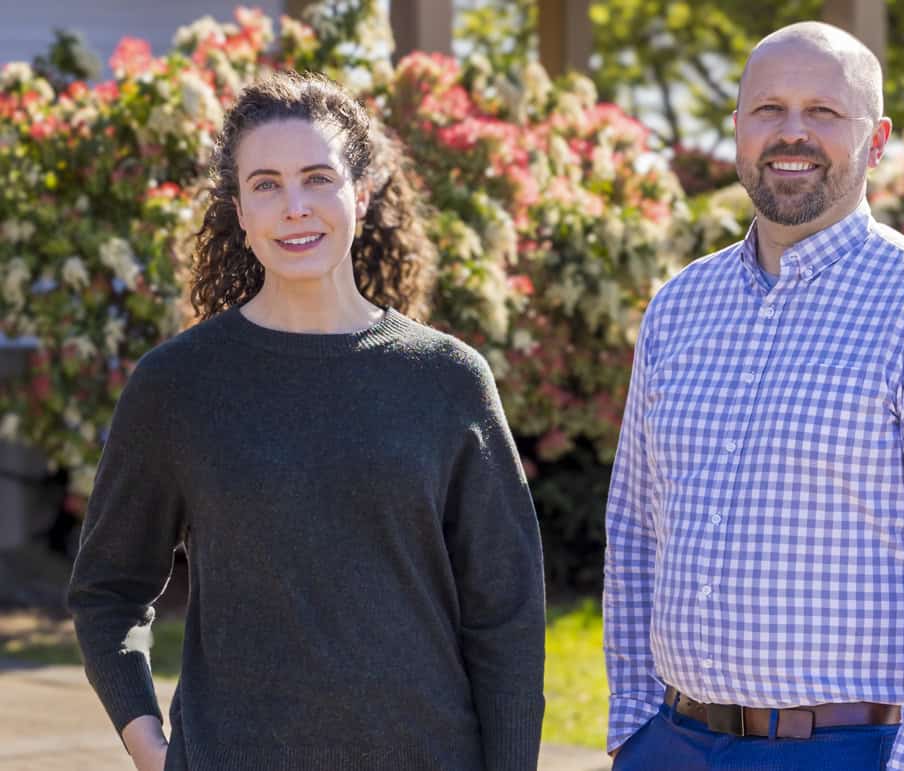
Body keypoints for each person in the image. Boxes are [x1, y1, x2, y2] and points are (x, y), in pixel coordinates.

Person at [67, 71, 546, 771]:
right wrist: (154, 751)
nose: (295, 207)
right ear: (237, 207)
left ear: (362, 192)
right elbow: (107, 589)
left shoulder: (446, 379)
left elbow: (506, 614)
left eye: (318, 178)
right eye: (266, 184)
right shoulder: (178, 386)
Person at [603, 22, 904, 771]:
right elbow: (636, 528)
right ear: (736, 129)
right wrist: (634, 727)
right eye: (768, 109)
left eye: (824, 113)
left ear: (877, 137)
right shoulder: (679, 307)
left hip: (845, 750)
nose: (791, 133)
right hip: (670, 743)